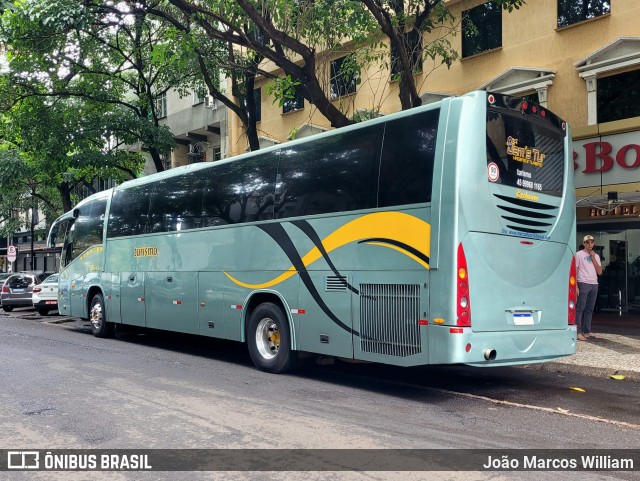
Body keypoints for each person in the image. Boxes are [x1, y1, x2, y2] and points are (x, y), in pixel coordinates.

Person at [575, 235, 603, 341]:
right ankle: (578, 332)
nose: (590, 244)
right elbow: (576, 270)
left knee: (590, 309)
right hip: (583, 282)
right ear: (584, 244)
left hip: (594, 283)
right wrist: (576, 286)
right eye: (588, 242)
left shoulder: (596, 256)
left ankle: (587, 330)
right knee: (580, 308)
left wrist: (593, 258)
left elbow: (599, 272)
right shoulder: (579, 255)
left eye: (592, 242)